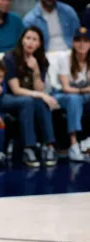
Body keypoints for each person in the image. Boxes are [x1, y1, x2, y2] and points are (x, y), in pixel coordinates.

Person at [3, 26, 59, 166]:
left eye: (34, 39)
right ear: (22, 40)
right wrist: (41, 95)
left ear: (39, 44)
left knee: (41, 102)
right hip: (7, 98)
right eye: (28, 38)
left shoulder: (41, 60)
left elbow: (39, 88)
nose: (30, 42)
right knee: (29, 101)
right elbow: (15, 90)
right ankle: (29, 148)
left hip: (28, 99)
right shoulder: (10, 57)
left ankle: (49, 146)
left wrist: (35, 70)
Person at [51, 26, 90, 161]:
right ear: (73, 43)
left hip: (82, 95)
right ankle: (73, 144)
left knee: (78, 98)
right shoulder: (65, 58)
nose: (82, 44)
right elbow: (66, 88)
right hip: (61, 94)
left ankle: (87, 141)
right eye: (78, 41)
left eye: (86, 41)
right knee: (74, 99)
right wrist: (84, 90)